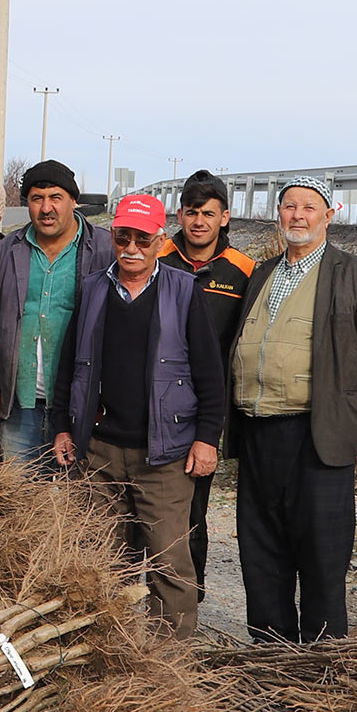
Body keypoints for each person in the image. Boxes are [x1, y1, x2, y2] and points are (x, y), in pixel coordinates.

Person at [51, 194, 228, 636]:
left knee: (169, 565)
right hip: (100, 452)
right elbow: (70, 363)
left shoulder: (184, 290)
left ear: (160, 240)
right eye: (123, 236)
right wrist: (62, 427)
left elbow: (211, 373)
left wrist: (208, 438)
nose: (131, 247)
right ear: (113, 237)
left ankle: (168, 670)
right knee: (99, 562)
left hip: (163, 457)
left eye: (142, 239)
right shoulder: (93, 288)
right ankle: (107, 654)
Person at [227, 180, 357, 644]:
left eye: (309, 207)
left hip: (317, 435)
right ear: (279, 213)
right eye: (289, 206)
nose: (298, 215)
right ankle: (271, 653)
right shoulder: (262, 274)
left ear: (327, 215)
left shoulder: (356, 275)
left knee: (321, 554)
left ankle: (321, 664)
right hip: (259, 433)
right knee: (261, 552)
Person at [156, 169, 255, 586]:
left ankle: (186, 596)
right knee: (148, 503)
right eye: (192, 212)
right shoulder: (155, 258)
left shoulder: (245, 271)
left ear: (225, 218)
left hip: (205, 410)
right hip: (154, 405)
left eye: (209, 214)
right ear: (179, 215)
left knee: (194, 508)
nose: (199, 221)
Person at [0, 161, 112, 470]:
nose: (46, 208)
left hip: (80, 406)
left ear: (73, 201)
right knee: (21, 507)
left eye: (55, 197)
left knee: (78, 505)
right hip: (20, 406)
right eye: (36, 198)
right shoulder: (8, 250)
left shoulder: (105, 248)